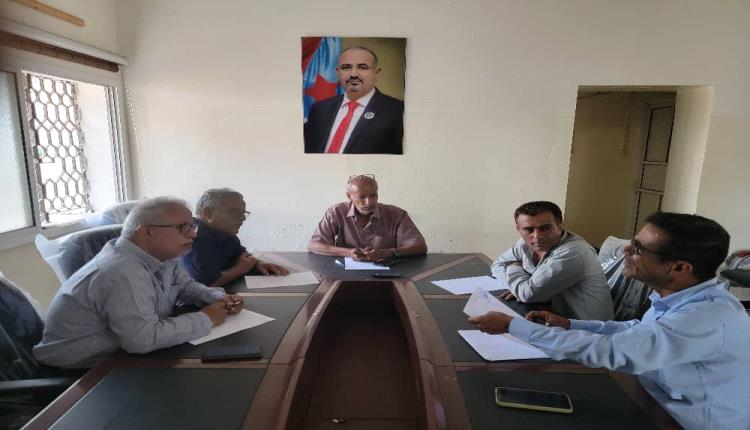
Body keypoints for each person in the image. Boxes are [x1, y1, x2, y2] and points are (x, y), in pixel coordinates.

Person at [470, 212, 750, 430]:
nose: (626, 251)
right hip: (651, 401)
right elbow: (636, 330)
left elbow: (611, 351)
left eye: (638, 249)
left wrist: (511, 325)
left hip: (685, 422)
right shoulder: (680, 298)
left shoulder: (705, 318)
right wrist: (570, 324)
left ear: (679, 267)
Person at [34, 197, 244, 369]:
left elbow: (185, 287)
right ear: (146, 231)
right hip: (83, 370)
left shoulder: (165, 256)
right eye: (183, 227)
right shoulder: (120, 271)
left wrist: (217, 297)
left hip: (121, 353)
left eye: (192, 226)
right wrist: (206, 318)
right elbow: (142, 340)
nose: (193, 234)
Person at [491, 201, 613, 320]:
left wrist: (515, 268)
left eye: (545, 228)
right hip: (547, 314)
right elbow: (497, 265)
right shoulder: (524, 244)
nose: (537, 236)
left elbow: (528, 295)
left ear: (560, 226)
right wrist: (517, 288)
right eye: (528, 230)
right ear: (518, 228)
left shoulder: (572, 253)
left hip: (585, 328)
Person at [304, 46, 403, 154]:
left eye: (362, 67)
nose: (353, 74)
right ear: (338, 72)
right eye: (346, 67)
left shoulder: (398, 112)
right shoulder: (320, 109)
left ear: (376, 73)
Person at [181, 188, 288, 288]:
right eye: (234, 212)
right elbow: (204, 284)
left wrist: (258, 264)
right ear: (208, 213)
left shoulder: (224, 233)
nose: (242, 218)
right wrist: (239, 269)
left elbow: (241, 255)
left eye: (243, 213)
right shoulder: (192, 238)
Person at [308, 175, 426, 261]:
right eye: (362, 197)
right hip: (345, 272)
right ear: (349, 196)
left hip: (388, 272)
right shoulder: (336, 212)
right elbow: (314, 245)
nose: (369, 202)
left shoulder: (396, 214)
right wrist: (349, 253)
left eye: (373, 195)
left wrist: (385, 253)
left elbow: (420, 247)